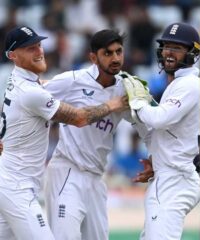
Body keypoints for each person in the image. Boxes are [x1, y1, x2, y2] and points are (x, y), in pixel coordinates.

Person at [0, 26, 126, 240]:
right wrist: (113, 104)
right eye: (30, 48)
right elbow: (79, 118)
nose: (39, 51)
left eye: (39, 45)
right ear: (13, 56)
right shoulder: (32, 92)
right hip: (16, 185)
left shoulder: (21, 82)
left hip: (16, 180)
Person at [43, 29, 143, 240]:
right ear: (93, 57)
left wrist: (156, 159)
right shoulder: (73, 80)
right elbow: (33, 96)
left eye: (119, 51)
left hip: (97, 178)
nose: (115, 58)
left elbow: (147, 128)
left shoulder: (126, 88)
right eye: (107, 53)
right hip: (67, 171)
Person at [123, 22, 200, 240]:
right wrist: (135, 112)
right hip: (168, 179)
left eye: (177, 48)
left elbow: (159, 119)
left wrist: (138, 103)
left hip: (174, 182)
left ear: (193, 52)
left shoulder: (189, 85)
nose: (168, 52)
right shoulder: (177, 84)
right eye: (166, 46)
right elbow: (156, 133)